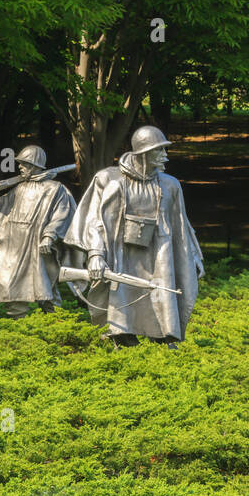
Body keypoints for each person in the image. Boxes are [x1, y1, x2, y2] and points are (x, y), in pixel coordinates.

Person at [72, 125, 204, 345]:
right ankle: (122, 337)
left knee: (162, 297)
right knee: (121, 300)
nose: (165, 157)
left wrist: (193, 255)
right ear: (143, 153)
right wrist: (95, 254)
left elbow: (181, 225)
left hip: (159, 257)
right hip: (120, 257)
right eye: (159, 151)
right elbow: (95, 222)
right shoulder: (110, 181)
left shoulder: (170, 185)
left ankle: (163, 338)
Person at [0, 144, 80, 317]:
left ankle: (58, 324)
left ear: (34, 165)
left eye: (24, 164)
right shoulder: (20, 187)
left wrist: (49, 235)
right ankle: (18, 322)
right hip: (15, 244)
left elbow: (62, 214)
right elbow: (0, 208)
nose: (20, 167)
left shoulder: (55, 189)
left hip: (38, 243)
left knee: (45, 287)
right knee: (14, 286)